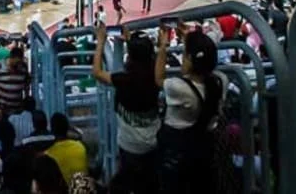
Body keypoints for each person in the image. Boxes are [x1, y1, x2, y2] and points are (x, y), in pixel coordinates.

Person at [92, 27, 161, 194]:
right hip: (153, 142)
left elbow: (97, 72)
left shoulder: (123, 79)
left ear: (130, 56)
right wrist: (131, 41)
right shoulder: (156, 75)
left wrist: (101, 41)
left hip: (129, 144)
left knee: (128, 181)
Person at [156, 27, 222, 194]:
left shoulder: (178, 87)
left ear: (191, 60)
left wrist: (163, 47)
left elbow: (158, 78)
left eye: (184, 55)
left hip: (178, 152)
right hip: (204, 150)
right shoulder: (220, 82)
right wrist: (189, 37)